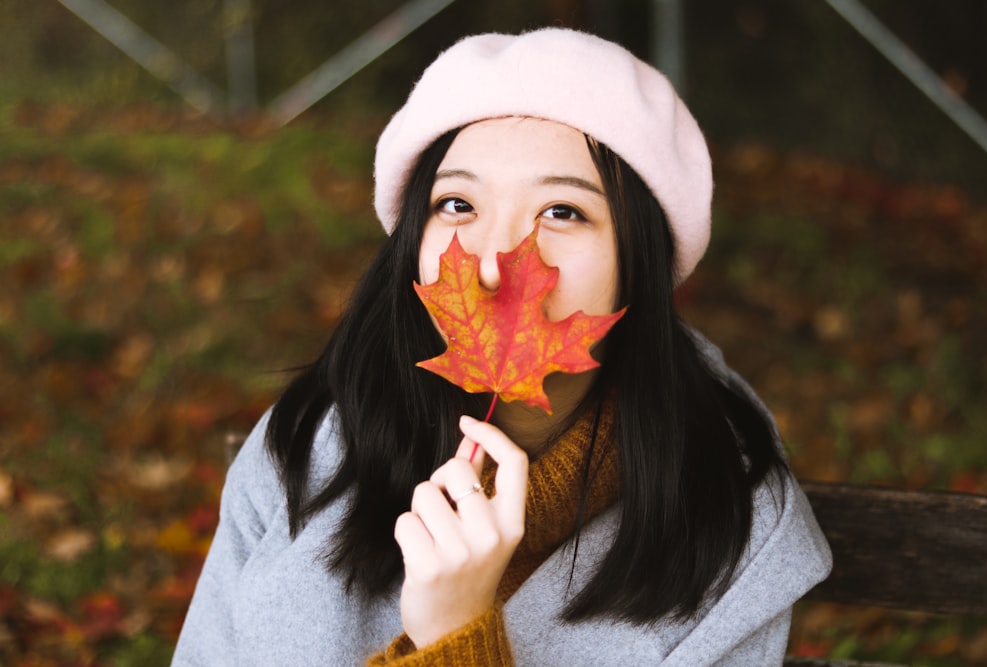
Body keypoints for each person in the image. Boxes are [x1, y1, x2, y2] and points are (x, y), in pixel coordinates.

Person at [173, 28, 831, 666]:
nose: (496, 263)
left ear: (642, 262)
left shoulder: (727, 516)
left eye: (563, 212)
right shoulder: (311, 438)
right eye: (457, 204)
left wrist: (456, 638)